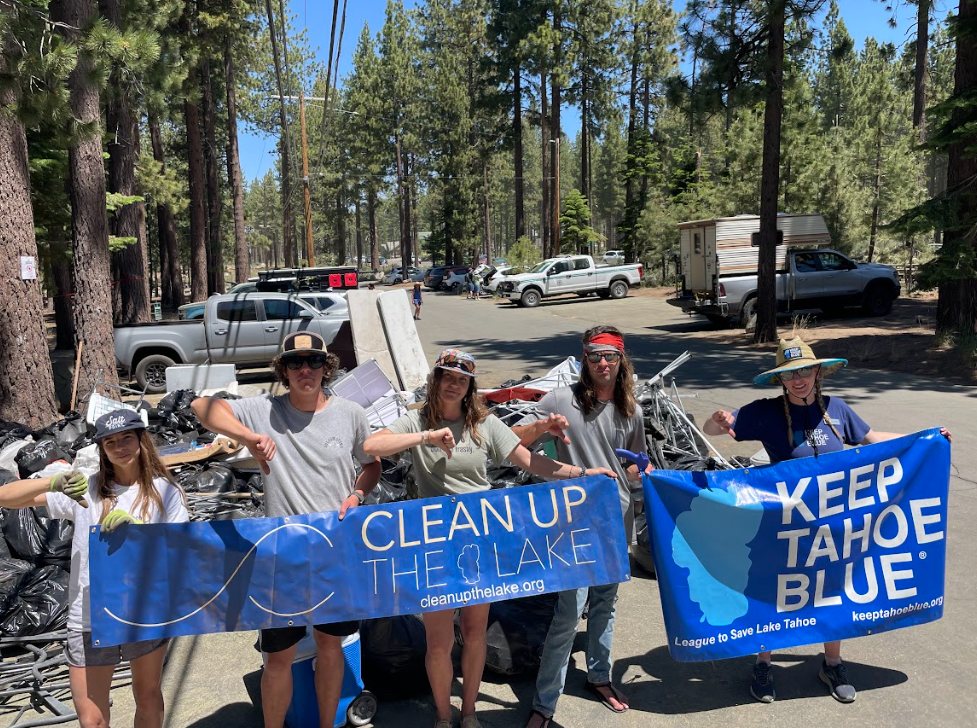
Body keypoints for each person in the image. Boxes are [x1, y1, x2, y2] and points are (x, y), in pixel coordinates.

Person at [363, 348, 616, 728]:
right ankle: (443, 717)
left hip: (479, 542)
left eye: (462, 380)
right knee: (438, 641)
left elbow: (530, 461)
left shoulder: (483, 423)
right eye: (447, 376)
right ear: (436, 380)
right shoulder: (418, 419)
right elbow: (371, 446)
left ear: (469, 387)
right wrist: (424, 436)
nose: (454, 384)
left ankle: (469, 714)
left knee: (474, 631)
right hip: (435, 545)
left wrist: (581, 473)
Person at [703, 336, 952, 705]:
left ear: (818, 371)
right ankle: (763, 664)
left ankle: (832, 663)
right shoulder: (765, 412)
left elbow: (872, 440)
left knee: (831, 587)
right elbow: (715, 430)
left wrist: (927, 437)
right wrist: (717, 419)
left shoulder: (836, 409)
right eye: (789, 374)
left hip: (832, 523)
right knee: (776, 591)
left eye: (804, 370)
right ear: (781, 380)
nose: (798, 379)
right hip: (783, 522)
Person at [192, 331, 381, 728]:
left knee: (331, 648)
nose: (305, 370)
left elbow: (371, 464)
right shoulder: (264, 410)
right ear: (284, 370)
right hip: (281, 557)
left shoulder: (350, 414)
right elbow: (202, 405)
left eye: (314, 361)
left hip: (334, 552)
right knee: (277, 658)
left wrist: (358, 495)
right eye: (296, 363)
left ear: (326, 367)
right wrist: (248, 438)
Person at [0, 408, 188, 728]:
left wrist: (140, 532)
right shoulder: (86, 489)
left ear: (142, 440)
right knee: (92, 719)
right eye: (110, 441)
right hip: (88, 616)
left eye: (127, 437)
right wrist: (55, 482)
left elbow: (182, 553)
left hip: (144, 612)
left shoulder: (164, 492)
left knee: (148, 698)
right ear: (101, 448)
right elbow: (6, 497)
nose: (120, 447)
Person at [512, 326, 647, 728]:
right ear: (583, 359)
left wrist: (642, 471)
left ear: (621, 360)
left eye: (610, 356)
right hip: (571, 524)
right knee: (568, 614)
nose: (602, 363)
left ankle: (600, 676)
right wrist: (540, 429)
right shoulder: (559, 401)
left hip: (616, 521)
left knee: (606, 603)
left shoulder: (631, 410)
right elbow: (512, 444)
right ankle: (544, 703)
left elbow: (631, 463)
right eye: (594, 356)